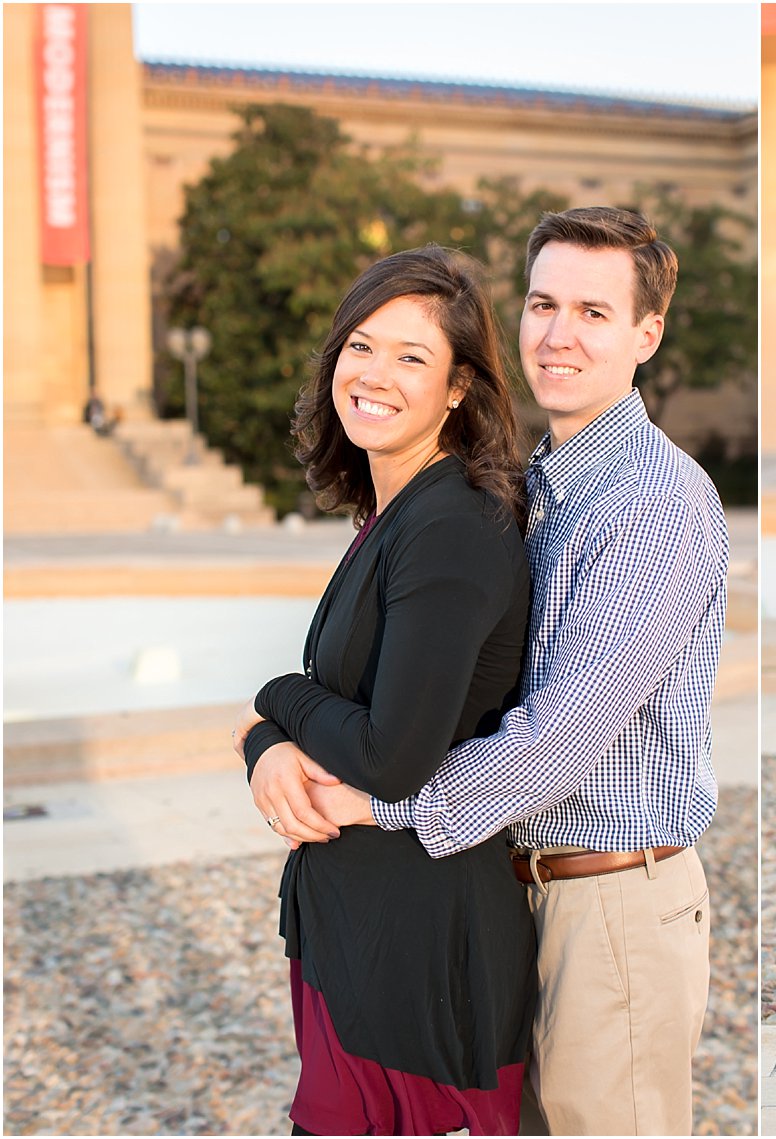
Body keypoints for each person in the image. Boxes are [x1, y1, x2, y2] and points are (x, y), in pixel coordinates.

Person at [274, 206, 730, 1136]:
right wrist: (268, 739)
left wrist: (376, 799)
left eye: (594, 313)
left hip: (613, 903)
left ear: (647, 334)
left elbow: (557, 743)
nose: (559, 334)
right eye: (542, 302)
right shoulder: (538, 485)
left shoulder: (657, 503)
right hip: (521, 891)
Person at [234, 245, 537, 1135]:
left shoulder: (456, 523)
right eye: (361, 345)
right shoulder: (395, 512)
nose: (375, 373)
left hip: (417, 948)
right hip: (359, 927)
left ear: (457, 389)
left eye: (412, 356)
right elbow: (345, 717)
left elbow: (392, 757)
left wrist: (272, 694)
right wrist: (265, 745)